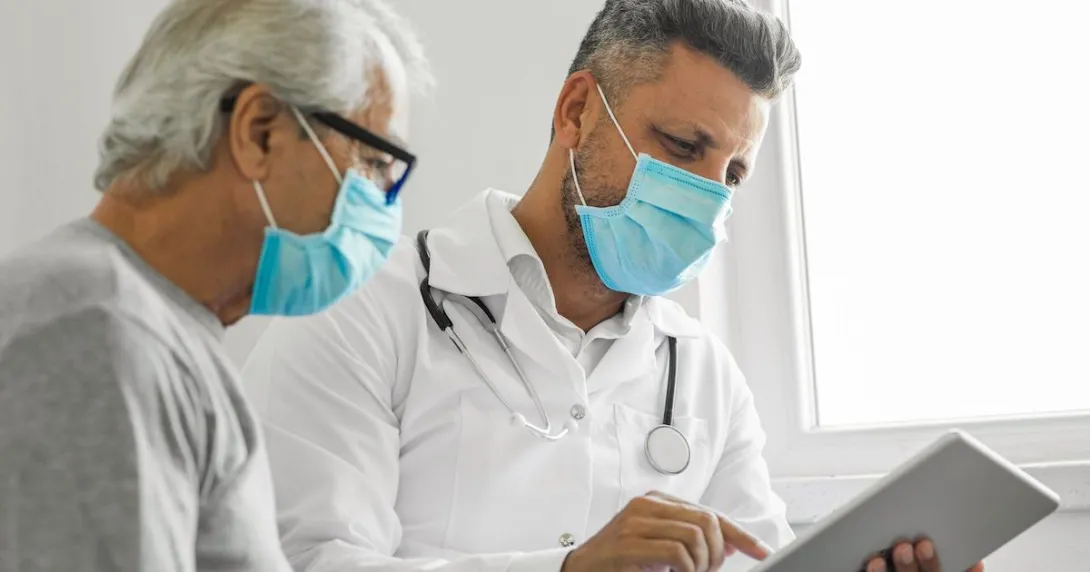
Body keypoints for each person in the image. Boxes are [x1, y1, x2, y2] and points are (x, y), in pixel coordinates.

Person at [242, 1, 981, 572]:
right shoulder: (363, 309)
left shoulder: (704, 375)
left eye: (732, 174)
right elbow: (309, 560)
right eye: (683, 147)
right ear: (576, 112)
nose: (707, 196)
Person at [0, 0, 429, 570]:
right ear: (260, 132)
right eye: (374, 163)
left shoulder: (149, 329)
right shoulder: (99, 335)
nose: (382, 203)